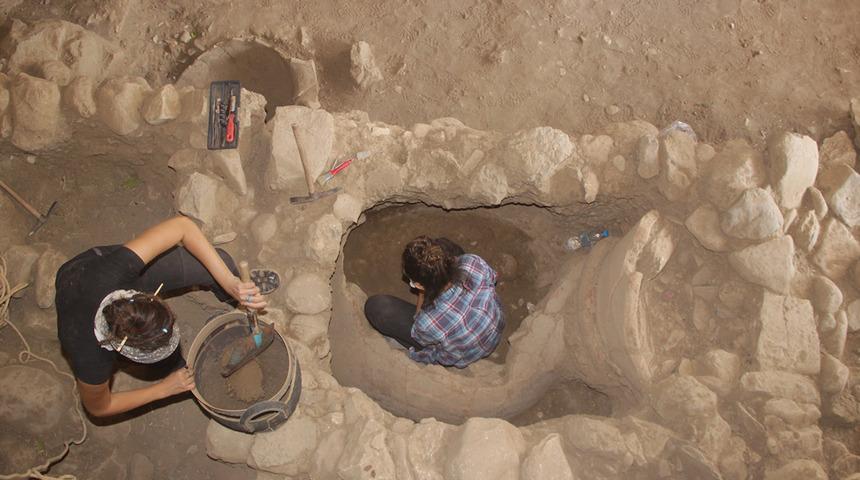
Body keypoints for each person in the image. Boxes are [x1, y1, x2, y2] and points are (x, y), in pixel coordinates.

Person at [55, 216, 267, 418]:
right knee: (172, 366)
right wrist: (163, 390)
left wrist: (231, 284)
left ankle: (231, 301)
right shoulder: (87, 353)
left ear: (149, 297)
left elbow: (183, 226)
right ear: (125, 350)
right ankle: (174, 368)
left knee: (220, 261)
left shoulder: (116, 268)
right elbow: (100, 408)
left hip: (93, 270)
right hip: (74, 287)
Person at [364, 236, 504, 368]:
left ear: (419, 285)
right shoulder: (473, 262)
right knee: (443, 241)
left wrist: (422, 293)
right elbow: (493, 276)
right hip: (492, 328)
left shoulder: (428, 321)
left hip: (463, 354)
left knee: (377, 307)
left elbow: (420, 331)